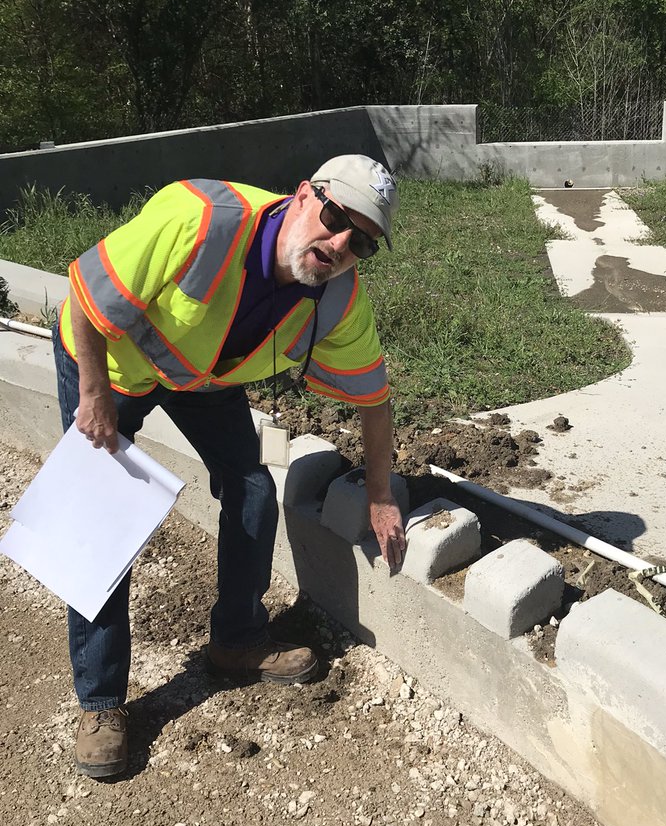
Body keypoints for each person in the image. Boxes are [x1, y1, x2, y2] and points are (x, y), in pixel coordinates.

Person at [53, 153, 407, 779]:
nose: (341, 244)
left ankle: (237, 641)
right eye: (335, 217)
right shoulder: (202, 222)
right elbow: (84, 288)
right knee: (100, 517)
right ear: (304, 195)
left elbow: (375, 401)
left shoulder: (337, 298)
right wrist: (91, 394)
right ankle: (101, 701)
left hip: (202, 376)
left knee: (252, 490)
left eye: (363, 243)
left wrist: (380, 495)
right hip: (109, 366)